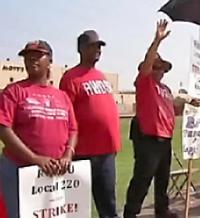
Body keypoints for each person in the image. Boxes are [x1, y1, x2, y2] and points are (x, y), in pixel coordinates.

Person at [123, 20, 200, 218]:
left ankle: (162, 210)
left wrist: (191, 105)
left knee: (162, 177)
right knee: (143, 177)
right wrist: (157, 41)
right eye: (156, 67)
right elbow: (148, 62)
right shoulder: (144, 82)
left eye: (162, 69)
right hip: (147, 137)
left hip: (165, 138)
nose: (159, 71)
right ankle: (131, 212)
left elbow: (174, 109)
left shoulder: (165, 89)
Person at [0, 40, 78, 218]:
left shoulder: (62, 96)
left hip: (54, 174)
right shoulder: (14, 91)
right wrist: (35, 158)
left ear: (49, 61)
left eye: (37, 56)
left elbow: (73, 130)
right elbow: (3, 129)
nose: (31, 60)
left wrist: (68, 154)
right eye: (28, 57)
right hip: (19, 170)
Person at [59, 30, 121, 218]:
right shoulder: (71, 77)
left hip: (106, 153)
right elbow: (66, 117)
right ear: (81, 49)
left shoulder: (101, 76)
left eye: (100, 46)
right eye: (94, 46)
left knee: (108, 206)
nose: (98, 50)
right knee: (78, 208)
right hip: (83, 154)